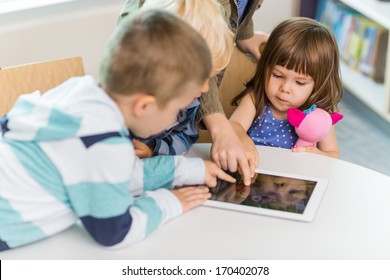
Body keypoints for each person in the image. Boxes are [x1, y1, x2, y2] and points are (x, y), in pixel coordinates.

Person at [0, 9, 235, 252]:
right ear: (145, 105)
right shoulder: (102, 144)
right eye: (178, 107)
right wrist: (169, 202)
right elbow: (115, 231)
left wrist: (191, 169)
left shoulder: (81, 94)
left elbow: (119, 173)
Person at [118, 0, 268, 186]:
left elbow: (183, 138)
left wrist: (155, 151)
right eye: (200, 78)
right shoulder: (111, 122)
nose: (205, 89)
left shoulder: (188, 105)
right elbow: (117, 185)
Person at [230, 17, 343, 158]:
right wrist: (244, 139)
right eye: (277, 75)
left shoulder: (320, 115)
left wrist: (318, 155)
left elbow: (333, 155)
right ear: (265, 67)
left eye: (300, 83)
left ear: (319, 84)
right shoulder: (255, 98)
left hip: (293, 177)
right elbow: (233, 125)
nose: (285, 88)